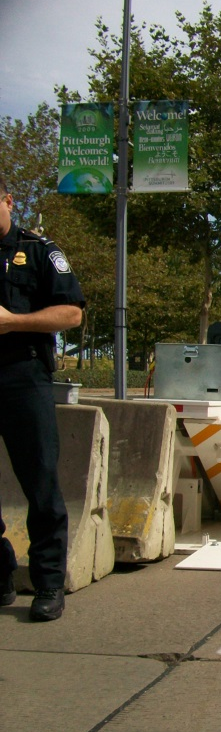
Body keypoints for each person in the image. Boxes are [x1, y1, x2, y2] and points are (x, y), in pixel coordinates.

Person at [0, 177, 85, 622]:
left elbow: (71, 312)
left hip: (22, 375)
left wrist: (12, 321)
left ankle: (48, 583)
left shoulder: (38, 251)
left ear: (8, 201)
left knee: (40, 483)